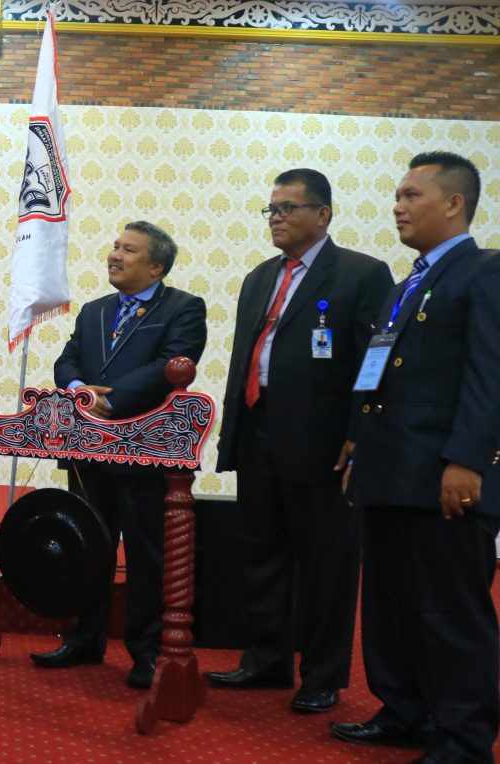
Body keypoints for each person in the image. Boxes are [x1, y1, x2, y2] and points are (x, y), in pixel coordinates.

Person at [331, 152, 500, 762]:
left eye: (411, 196)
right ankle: (404, 711)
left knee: (448, 613)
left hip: (442, 475)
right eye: (398, 196)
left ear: (454, 203)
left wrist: (468, 461)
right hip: (389, 469)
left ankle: (463, 739)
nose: (398, 207)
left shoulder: (484, 272)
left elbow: (490, 376)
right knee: (391, 605)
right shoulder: (408, 283)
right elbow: (378, 371)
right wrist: (358, 441)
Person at [207, 169, 393, 713]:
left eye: (288, 208)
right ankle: (266, 659)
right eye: (271, 209)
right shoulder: (259, 277)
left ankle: (322, 674)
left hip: (324, 442)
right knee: (260, 554)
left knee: (325, 564)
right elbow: (249, 357)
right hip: (258, 432)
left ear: (323, 214)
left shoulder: (361, 273)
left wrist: (359, 434)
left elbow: (374, 364)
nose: (277, 218)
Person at [31, 221, 207, 689]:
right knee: (87, 543)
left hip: (146, 450)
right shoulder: (94, 311)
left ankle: (147, 652)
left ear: (157, 266)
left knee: (147, 554)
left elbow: (172, 363)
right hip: (88, 448)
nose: (114, 255)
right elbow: (67, 360)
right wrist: (80, 391)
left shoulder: (184, 308)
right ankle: (83, 639)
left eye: (128, 250)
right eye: (115, 246)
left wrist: (113, 402)